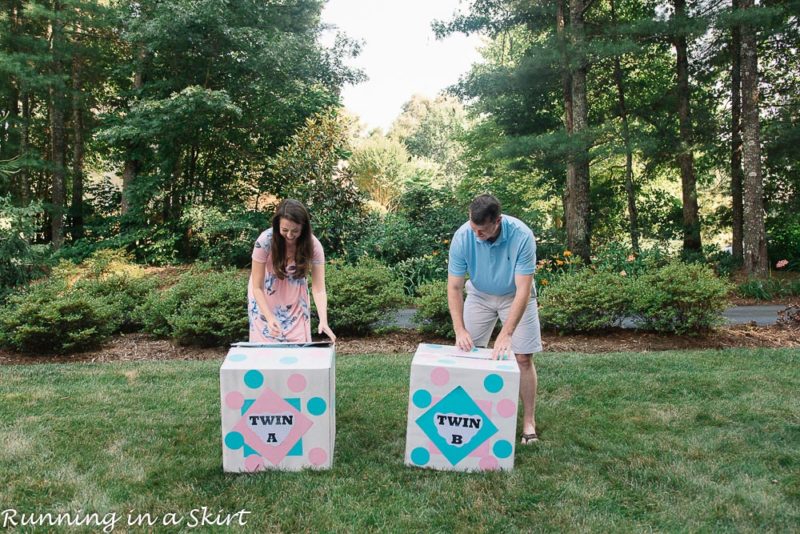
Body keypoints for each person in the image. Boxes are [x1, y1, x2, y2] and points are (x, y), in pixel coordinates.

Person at [447, 194, 542, 444]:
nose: (476, 234)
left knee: (523, 358)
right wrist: (459, 329)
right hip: (479, 295)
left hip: (515, 295)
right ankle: (471, 416)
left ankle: (528, 422)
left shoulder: (522, 236)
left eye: (482, 230)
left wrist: (506, 333)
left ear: (497, 221)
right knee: (467, 352)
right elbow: (454, 287)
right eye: (473, 228)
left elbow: (523, 289)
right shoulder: (463, 237)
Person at [248, 199, 336, 343]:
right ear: (277, 225)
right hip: (264, 298)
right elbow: (257, 287)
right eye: (284, 230)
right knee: (266, 346)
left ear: (304, 228)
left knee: (298, 344)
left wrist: (323, 320)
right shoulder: (264, 241)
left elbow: (319, 289)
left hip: (296, 300)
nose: (289, 235)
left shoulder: (313, 245)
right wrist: (270, 318)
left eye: (295, 231)